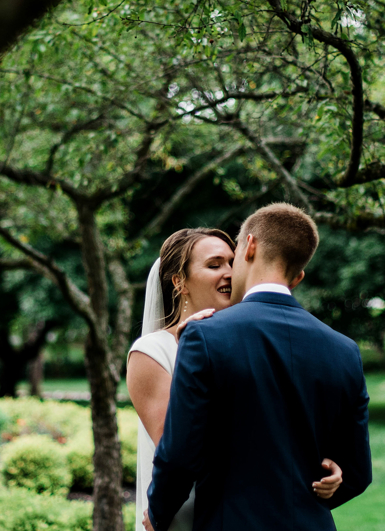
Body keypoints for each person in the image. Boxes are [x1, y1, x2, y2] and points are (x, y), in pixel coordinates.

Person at [139, 205, 372, 531]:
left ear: (249, 246)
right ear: (298, 276)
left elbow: (179, 455)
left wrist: (159, 512)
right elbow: (358, 472)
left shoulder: (204, 334)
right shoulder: (345, 350)